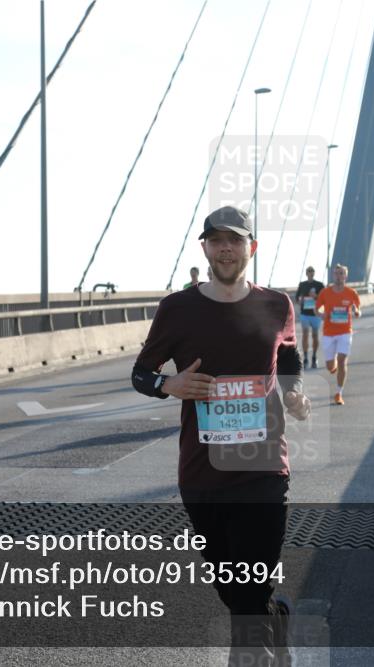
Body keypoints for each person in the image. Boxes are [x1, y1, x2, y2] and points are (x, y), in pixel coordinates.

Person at [131, 205, 309, 666]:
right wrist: (168, 384)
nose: (226, 248)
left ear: (252, 247)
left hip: (264, 466)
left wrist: (294, 392)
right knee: (233, 587)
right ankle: (275, 618)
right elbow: (141, 373)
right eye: (217, 240)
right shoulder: (177, 309)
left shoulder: (277, 305)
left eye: (235, 240)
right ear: (205, 248)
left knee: (251, 584)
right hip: (202, 473)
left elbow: (289, 357)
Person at [315, 264, 361, 405]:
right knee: (330, 366)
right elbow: (316, 309)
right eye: (336, 273)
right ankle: (332, 365)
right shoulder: (325, 292)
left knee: (342, 361)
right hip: (329, 333)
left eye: (341, 273)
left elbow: (358, 310)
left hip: (345, 332)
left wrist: (356, 312)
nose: (339, 276)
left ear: (345, 276)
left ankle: (339, 393)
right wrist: (322, 315)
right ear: (333, 275)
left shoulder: (351, 293)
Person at [295, 266, 325, 369]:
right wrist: (300, 301)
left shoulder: (319, 285)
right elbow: (297, 298)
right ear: (306, 273)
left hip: (316, 314)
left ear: (314, 273)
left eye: (312, 271)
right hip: (305, 314)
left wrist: (316, 296)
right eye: (309, 271)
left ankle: (314, 356)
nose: (310, 273)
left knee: (315, 335)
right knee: (305, 334)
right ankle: (305, 358)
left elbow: (325, 298)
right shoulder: (302, 284)